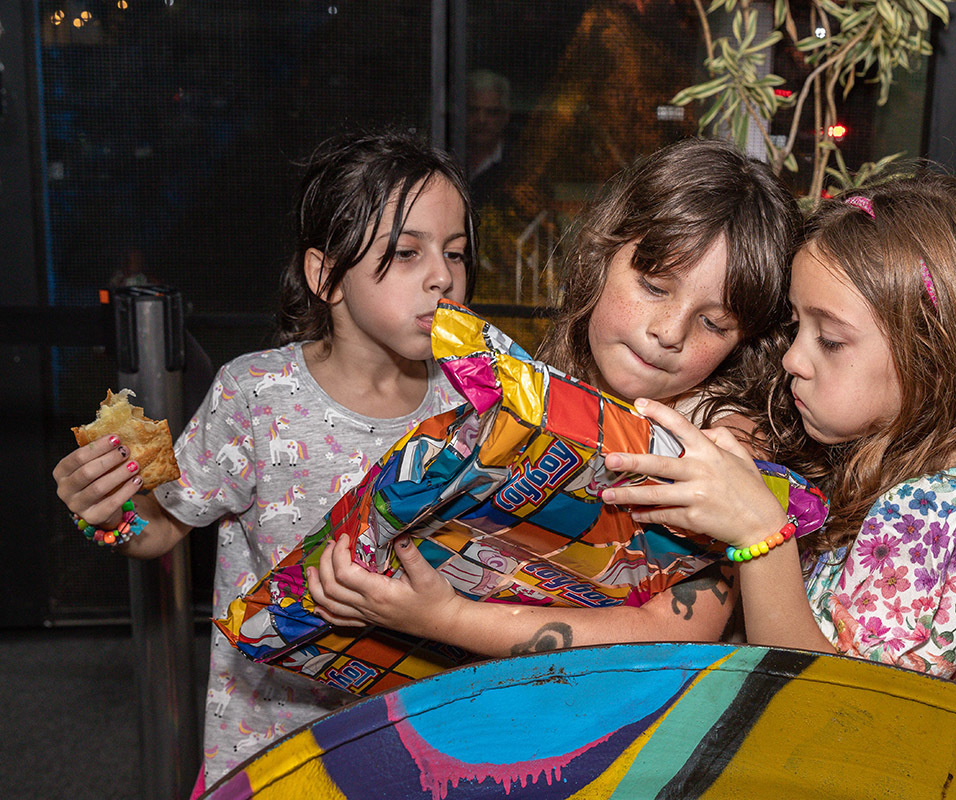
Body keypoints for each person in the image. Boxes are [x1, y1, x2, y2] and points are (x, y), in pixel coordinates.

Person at [52, 127, 478, 793]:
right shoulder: (255, 395)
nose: (443, 276)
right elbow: (163, 525)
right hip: (273, 749)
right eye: (405, 252)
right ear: (325, 275)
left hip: (420, 745)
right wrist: (105, 516)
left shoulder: (476, 404)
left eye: (454, 253)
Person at [599, 171, 956, 702]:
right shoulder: (873, 475)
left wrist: (760, 535)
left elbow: (837, 709)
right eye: (796, 327)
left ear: (937, 359)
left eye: (830, 340)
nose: (792, 359)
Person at [306, 137, 798, 658]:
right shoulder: (544, 385)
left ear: (744, 340)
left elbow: (680, 632)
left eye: (713, 323)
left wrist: (445, 617)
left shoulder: (723, 445)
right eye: (654, 287)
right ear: (601, 254)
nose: (670, 332)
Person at [466, 69, 513, 206]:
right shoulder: (446, 155)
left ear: (505, 116)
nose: (481, 120)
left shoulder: (519, 164)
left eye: (491, 112)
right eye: (473, 110)